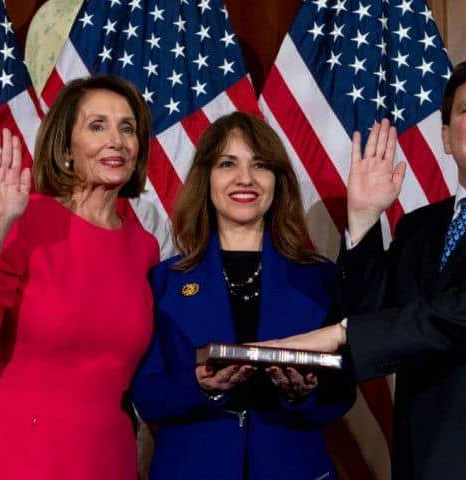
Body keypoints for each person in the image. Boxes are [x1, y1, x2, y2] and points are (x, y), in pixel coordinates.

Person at [266, 56, 466, 479]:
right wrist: (362, 220)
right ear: (448, 138)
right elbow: (376, 318)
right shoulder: (419, 227)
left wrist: (340, 334)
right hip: (424, 459)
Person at [0, 76, 158, 479]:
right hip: (17, 455)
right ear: (66, 148)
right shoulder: (25, 220)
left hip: (107, 457)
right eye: (97, 126)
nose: (116, 140)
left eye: (127, 128)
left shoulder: (143, 246)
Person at [131, 112, 355, 480]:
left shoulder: (320, 278)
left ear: (277, 181)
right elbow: (147, 395)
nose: (245, 179)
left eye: (260, 165)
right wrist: (197, 385)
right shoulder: (164, 281)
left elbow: (342, 394)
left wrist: (302, 395)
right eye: (227, 163)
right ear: (206, 179)